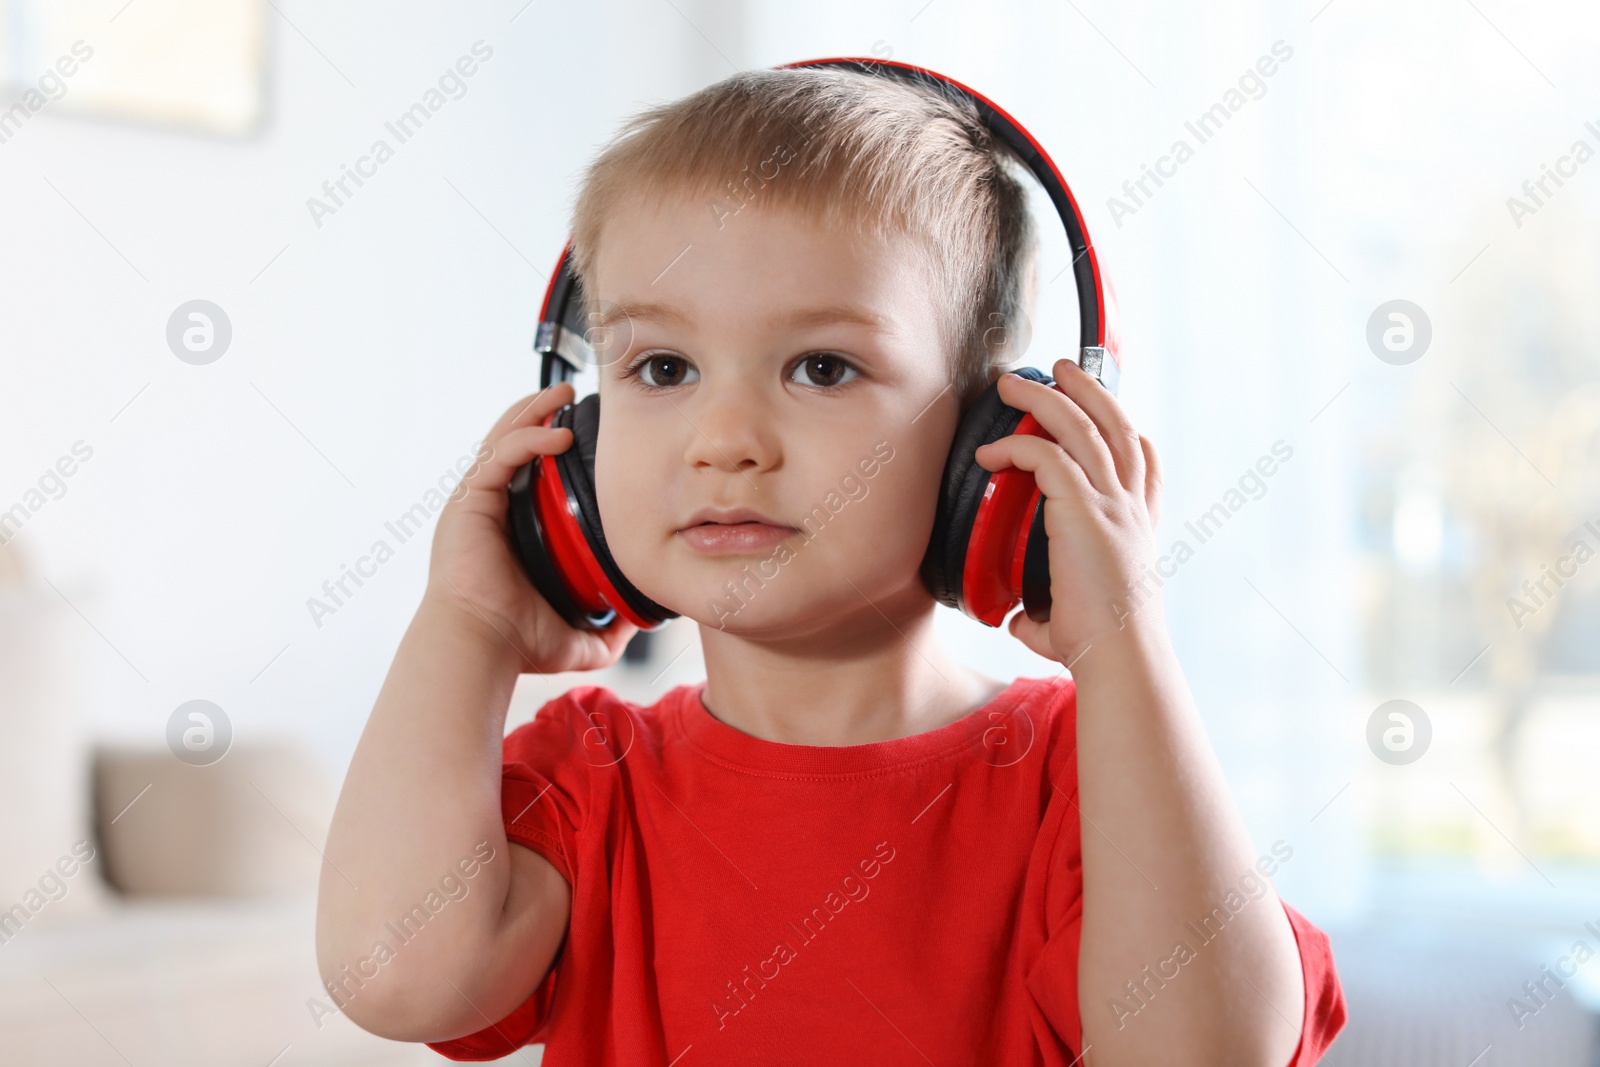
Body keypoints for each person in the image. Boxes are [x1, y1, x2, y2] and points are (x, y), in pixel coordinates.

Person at [314, 65, 1348, 1066]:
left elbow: (1208, 1048)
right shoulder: (591, 778)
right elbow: (392, 972)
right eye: (662, 367)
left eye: (823, 367)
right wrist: (465, 624)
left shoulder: (1081, 779)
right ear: (572, 445)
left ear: (989, 440)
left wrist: (1125, 642)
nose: (724, 437)